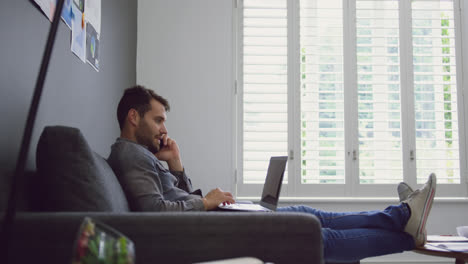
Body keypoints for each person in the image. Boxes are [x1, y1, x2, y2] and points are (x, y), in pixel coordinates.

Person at [107, 85, 437, 263]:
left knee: (312, 215)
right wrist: (207, 204)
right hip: (211, 232)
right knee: (317, 235)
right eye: (158, 119)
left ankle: (402, 215)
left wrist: (176, 166)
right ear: (134, 117)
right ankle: (409, 230)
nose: (164, 128)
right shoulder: (128, 153)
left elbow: (178, 200)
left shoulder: (141, 155)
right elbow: (154, 213)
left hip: (214, 223)